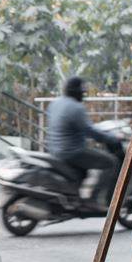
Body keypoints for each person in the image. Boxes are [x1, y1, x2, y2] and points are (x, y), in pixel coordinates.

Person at [46, 76, 124, 210]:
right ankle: (94, 199)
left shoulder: (55, 103)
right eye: (82, 91)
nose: (84, 94)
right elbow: (90, 131)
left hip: (55, 150)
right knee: (111, 162)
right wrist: (112, 138)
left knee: (88, 165)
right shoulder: (76, 108)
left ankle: (76, 196)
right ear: (77, 91)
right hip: (72, 152)